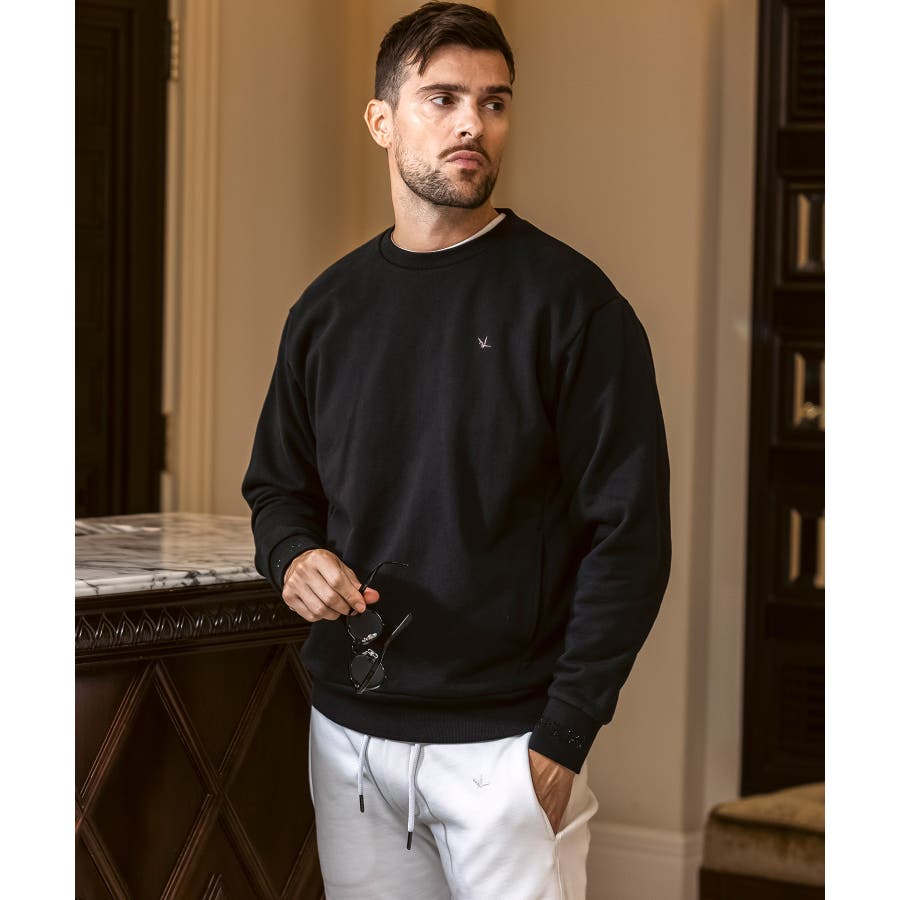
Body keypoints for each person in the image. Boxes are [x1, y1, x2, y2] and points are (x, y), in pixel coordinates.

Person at [241, 3, 671, 897]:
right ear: (381, 120)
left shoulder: (574, 307)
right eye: (442, 99)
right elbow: (279, 488)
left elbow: (630, 538)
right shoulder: (325, 311)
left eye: (494, 102)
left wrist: (562, 741)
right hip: (349, 742)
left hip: (506, 752)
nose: (473, 122)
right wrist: (294, 557)